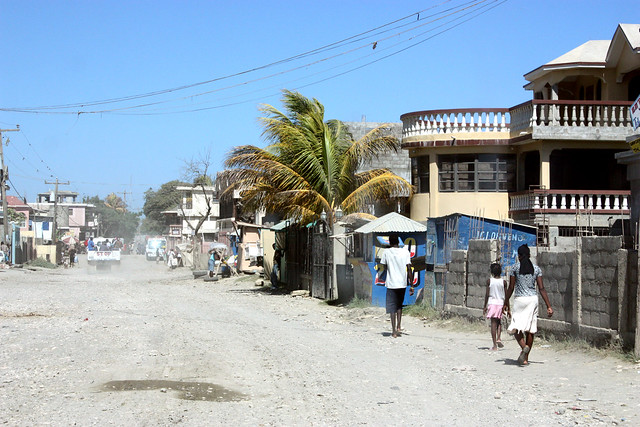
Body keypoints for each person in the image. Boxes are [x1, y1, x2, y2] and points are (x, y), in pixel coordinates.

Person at [504, 244, 554, 365]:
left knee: (515, 327)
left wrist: (505, 301)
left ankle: (523, 347)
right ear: (530, 255)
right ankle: (525, 358)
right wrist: (548, 305)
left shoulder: (514, 268)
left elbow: (511, 287)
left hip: (520, 300)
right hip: (533, 299)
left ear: (519, 256)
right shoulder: (536, 269)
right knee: (530, 330)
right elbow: (541, 288)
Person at [379, 234, 413, 338]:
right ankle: (399, 326)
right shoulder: (405, 252)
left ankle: (393, 331)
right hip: (402, 283)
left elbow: (384, 266)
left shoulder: (386, 252)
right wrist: (411, 285)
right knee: (399, 305)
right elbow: (409, 269)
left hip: (391, 284)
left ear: (389, 242)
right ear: (398, 242)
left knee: (392, 307)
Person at [484, 262, 507, 351]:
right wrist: (506, 305)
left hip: (492, 303)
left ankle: (494, 345)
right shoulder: (503, 282)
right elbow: (506, 295)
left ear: (492, 272)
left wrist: (485, 306)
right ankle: (499, 338)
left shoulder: (489, 281)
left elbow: (487, 294)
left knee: (493, 324)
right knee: (499, 322)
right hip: (500, 303)